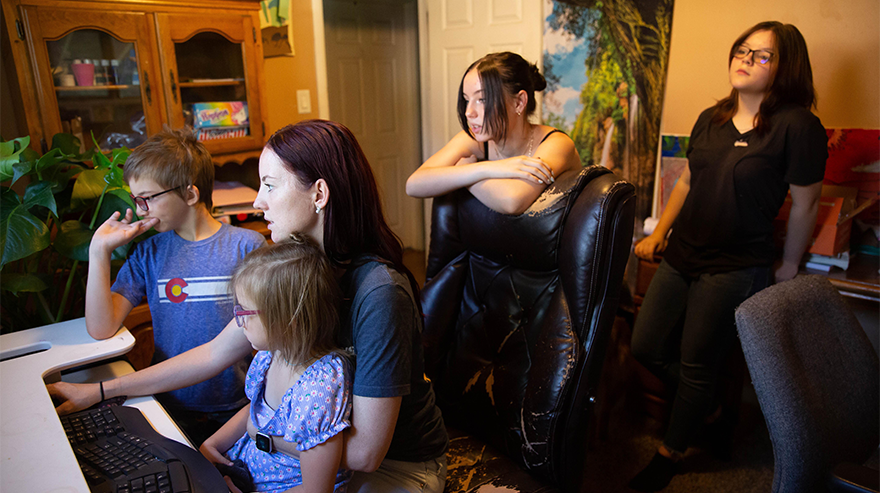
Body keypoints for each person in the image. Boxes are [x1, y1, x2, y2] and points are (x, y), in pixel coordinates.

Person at [48, 119, 449, 492]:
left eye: (270, 186)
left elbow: (365, 454)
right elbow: (212, 354)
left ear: (319, 194)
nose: (258, 201)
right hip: (310, 454)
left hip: (396, 467)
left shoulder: (380, 294)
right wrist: (102, 391)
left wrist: (259, 436)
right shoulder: (296, 269)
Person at [628, 22, 827, 491]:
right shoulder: (710, 117)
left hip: (735, 266)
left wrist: (790, 264)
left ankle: (669, 453)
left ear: (786, 67)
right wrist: (660, 234)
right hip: (681, 254)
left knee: (698, 363)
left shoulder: (798, 127)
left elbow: (805, 203)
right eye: (743, 50)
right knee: (646, 346)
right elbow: (687, 182)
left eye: (762, 55)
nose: (746, 59)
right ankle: (710, 404)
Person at [85, 128, 266, 446]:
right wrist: (98, 252)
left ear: (190, 194)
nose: (140, 210)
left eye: (148, 199)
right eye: (135, 199)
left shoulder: (247, 247)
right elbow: (101, 327)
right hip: (167, 407)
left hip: (236, 410)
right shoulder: (148, 253)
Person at [199, 235, 352, 493]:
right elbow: (257, 412)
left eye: (244, 312)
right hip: (247, 469)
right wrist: (211, 444)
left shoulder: (320, 387)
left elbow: (317, 489)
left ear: (288, 320)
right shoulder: (272, 355)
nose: (239, 321)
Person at [406, 51, 580, 214]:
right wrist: (489, 168)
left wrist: (465, 170)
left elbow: (513, 201)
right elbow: (414, 185)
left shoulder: (557, 143)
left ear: (519, 102)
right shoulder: (475, 140)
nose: (468, 112)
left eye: (482, 99)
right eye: (467, 100)